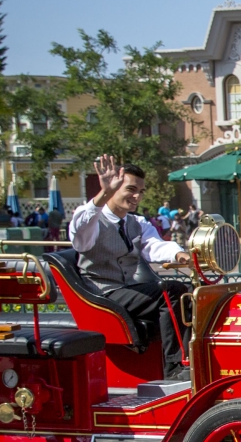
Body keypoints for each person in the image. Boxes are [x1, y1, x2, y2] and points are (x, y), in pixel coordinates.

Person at [69, 155, 192, 380]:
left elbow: (154, 246)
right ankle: (175, 368)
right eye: (131, 189)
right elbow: (80, 236)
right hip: (101, 295)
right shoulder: (91, 219)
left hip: (126, 290)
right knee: (171, 292)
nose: (137, 196)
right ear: (113, 187)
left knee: (190, 292)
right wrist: (103, 193)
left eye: (141, 191)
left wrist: (180, 254)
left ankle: (194, 357)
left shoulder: (137, 223)